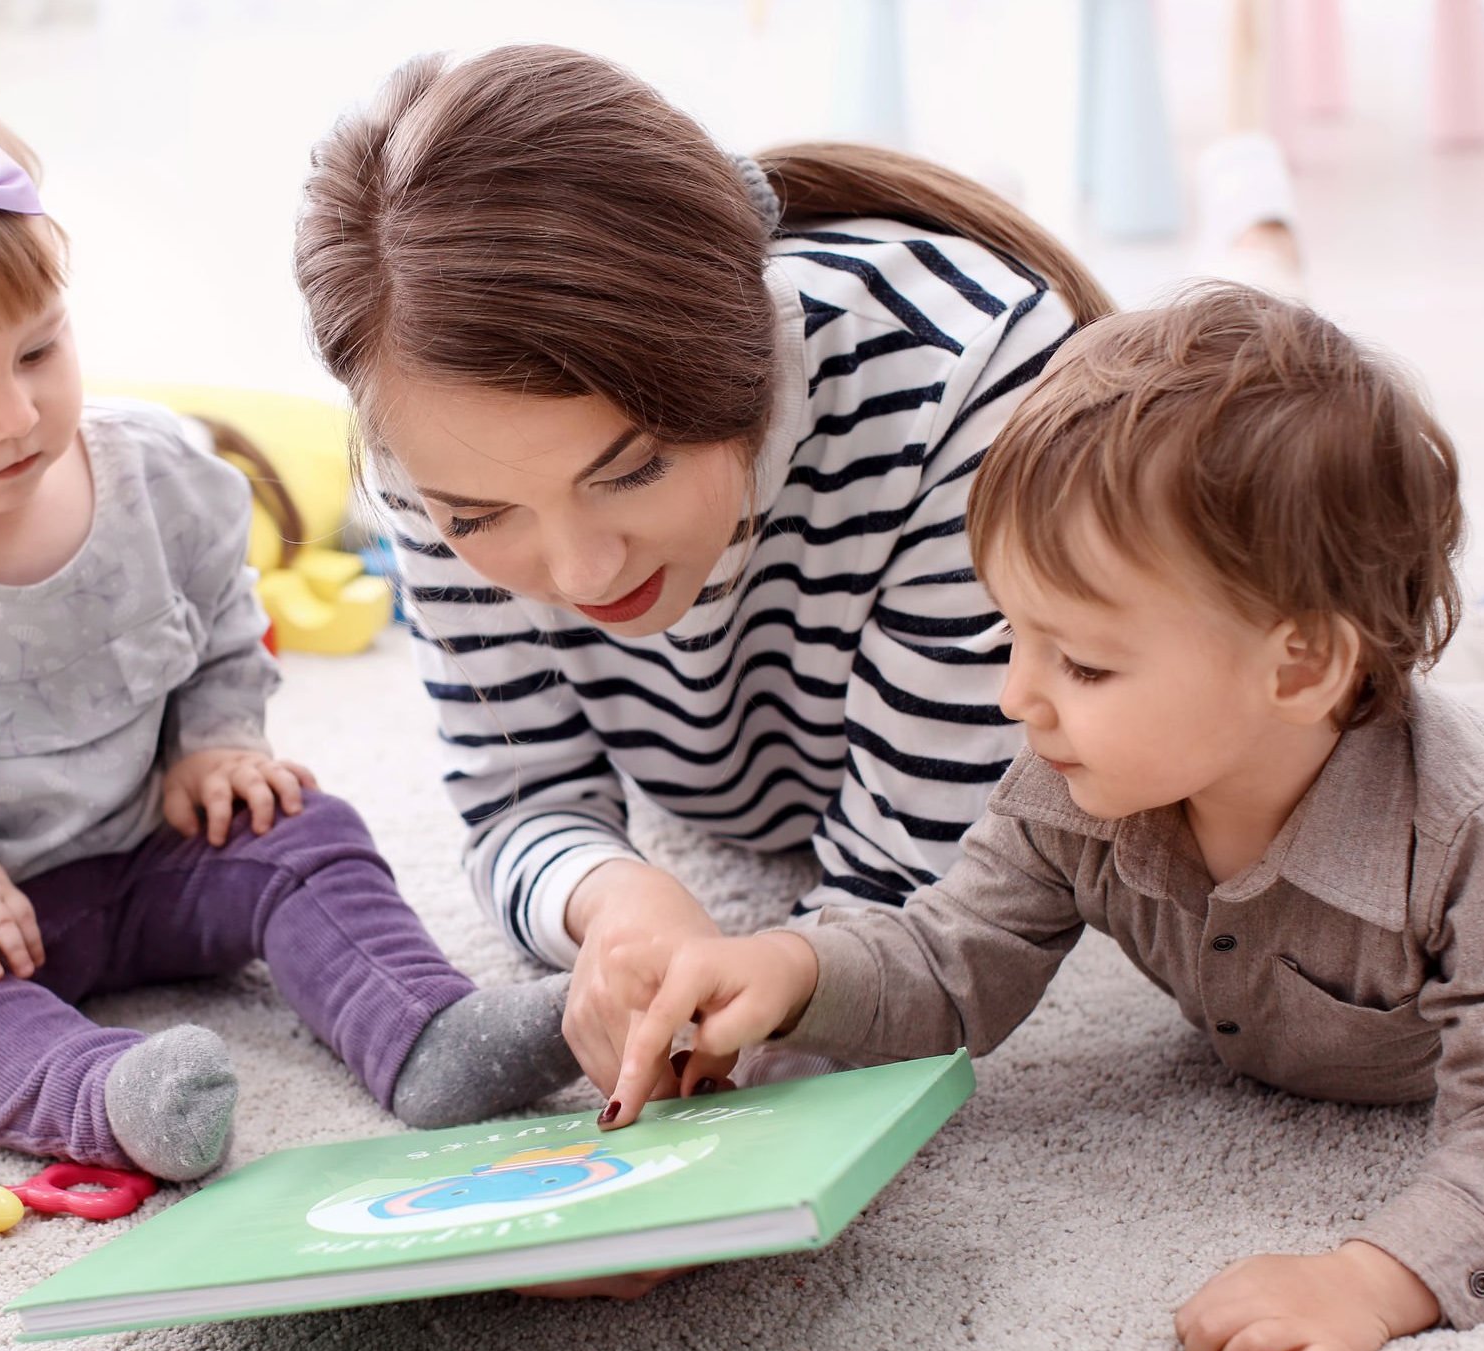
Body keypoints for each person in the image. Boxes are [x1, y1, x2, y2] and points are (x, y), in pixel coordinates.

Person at [582, 283, 1484, 1351]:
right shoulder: (1076, 785)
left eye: (1084, 662)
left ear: (1299, 664)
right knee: (1477, 671)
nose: (1018, 695)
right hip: (1391, 710)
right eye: (1012, 634)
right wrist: (785, 966)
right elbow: (950, 956)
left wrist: (1375, 1277)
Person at [0, 77, 577, 1181]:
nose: (15, 415)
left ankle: (427, 1033)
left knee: (307, 828)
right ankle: (109, 1097)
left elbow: (220, 620)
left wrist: (216, 744)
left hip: (157, 846)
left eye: (37, 350)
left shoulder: (161, 476)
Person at [291, 45, 1112, 1090]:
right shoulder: (431, 423)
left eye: (632, 471)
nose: (584, 573)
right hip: (754, 782)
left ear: (743, 354)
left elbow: (924, 903)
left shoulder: (969, 387)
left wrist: (745, 1026)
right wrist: (618, 902)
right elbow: (516, 797)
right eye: (483, 517)